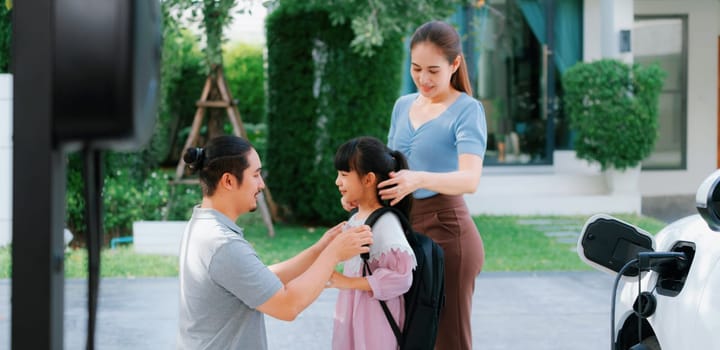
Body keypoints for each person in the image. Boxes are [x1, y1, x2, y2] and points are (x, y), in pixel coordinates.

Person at [176, 135, 373, 350]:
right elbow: (288, 305)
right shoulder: (223, 244)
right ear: (229, 181)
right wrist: (333, 254)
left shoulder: (202, 226)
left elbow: (258, 279)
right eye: (256, 175)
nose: (261, 184)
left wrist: (320, 249)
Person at [379, 20, 487, 350]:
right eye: (416, 69)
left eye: (433, 71)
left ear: (454, 65)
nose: (423, 79)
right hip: (404, 232)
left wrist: (419, 178)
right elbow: (390, 168)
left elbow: (470, 179)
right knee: (408, 337)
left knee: (449, 341)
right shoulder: (402, 105)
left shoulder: (468, 110)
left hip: (448, 234)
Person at [329, 136, 416, 350]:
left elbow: (402, 278)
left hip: (375, 320)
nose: (337, 181)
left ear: (368, 180)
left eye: (344, 175)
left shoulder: (386, 224)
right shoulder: (359, 216)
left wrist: (347, 283)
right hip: (355, 312)